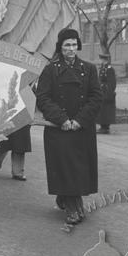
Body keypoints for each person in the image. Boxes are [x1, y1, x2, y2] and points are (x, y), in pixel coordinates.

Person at [36, 28, 102, 225]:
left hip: (82, 129)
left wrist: (79, 120)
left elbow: (96, 97)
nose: (71, 49)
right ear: (60, 47)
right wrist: (62, 119)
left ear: (78, 46)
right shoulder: (50, 70)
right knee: (65, 167)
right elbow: (43, 97)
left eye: (74, 45)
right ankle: (74, 209)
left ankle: (65, 197)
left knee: (79, 169)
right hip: (59, 129)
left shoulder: (89, 69)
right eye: (67, 45)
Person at [96, 52, 117, 134]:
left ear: (105, 60)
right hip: (102, 92)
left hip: (107, 93)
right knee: (102, 110)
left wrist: (108, 92)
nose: (101, 61)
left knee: (106, 110)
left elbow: (112, 82)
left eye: (102, 59)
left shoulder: (109, 69)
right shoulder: (103, 68)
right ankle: (102, 126)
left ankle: (105, 127)